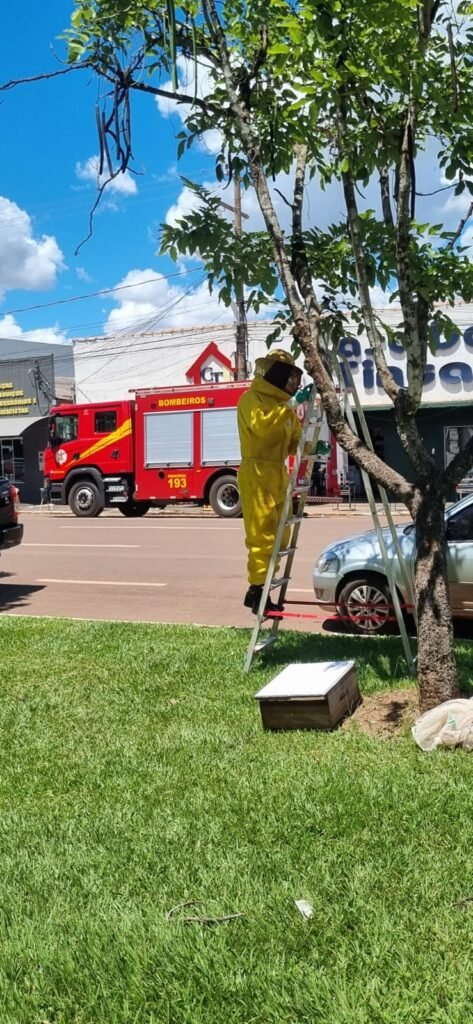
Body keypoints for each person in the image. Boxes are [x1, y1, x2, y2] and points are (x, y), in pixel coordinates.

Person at [237, 350, 303, 614]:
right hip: (256, 473)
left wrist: (312, 444)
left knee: (281, 533)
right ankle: (257, 590)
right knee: (261, 534)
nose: (292, 383)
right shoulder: (250, 400)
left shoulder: (285, 408)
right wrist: (289, 406)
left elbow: (293, 442)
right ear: (275, 374)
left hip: (277, 473)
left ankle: (264, 588)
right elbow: (262, 427)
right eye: (288, 377)